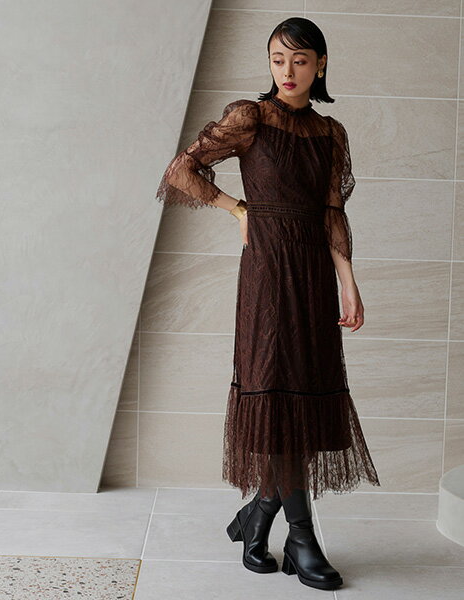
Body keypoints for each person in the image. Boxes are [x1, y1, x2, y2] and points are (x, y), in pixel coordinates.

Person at [155, 16, 381, 592]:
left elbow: (332, 213)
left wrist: (348, 281)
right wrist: (237, 208)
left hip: (313, 277)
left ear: (320, 65)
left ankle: (258, 516)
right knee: (278, 393)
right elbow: (182, 171)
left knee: (301, 396)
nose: (287, 71)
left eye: (300, 60)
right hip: (267, 277)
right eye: (278, 59)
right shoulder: (250, 118)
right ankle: (302, 538)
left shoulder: (330, 133)